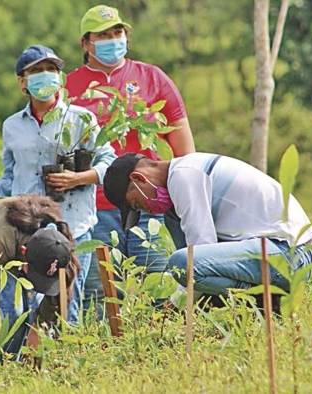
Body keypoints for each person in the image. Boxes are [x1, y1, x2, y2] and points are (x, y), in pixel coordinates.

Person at [0, 45, 115, 326]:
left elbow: (108, 161)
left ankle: (65, 365)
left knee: (65, 305)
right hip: (23, 230)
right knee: (17, 308)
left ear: (60, 77)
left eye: (51, 69)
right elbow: (11, 183)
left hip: (71, 226)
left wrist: (76, 178)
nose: (45, 76)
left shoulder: (80, 119)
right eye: (36, 71)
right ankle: (21, 366)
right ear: (22, 81)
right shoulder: (12, 126)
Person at [65, 5, 196, 310]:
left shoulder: (152, 78)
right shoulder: (70, 88)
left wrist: (184, 196)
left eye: (118, 32)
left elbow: (184, 149)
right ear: (86, 43)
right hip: (93, 208)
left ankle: (166, 350)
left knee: (161, 282)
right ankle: (106, 355)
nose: (113, 40)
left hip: (149, 202)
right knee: (100, 297)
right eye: (103, 35)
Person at [102, 152, 312, 310]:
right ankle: (254, 297)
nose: (147, 209)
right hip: (269, 252)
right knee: (186, 265)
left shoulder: (184, 175)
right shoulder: (175, 203)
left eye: (138, 204)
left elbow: (197, 254)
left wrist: (174, 305)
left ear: (139, 179)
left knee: (181, 264)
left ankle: (260, 296)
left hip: (289, 254)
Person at [0, 195, 79, 365]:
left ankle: (25, 365)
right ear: (23, 253)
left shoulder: (59, 247)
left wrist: (31, 362)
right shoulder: (1, 244)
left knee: (33, 310)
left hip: (29, 245)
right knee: (14, 313)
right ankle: (6, 365)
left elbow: (44, 318)